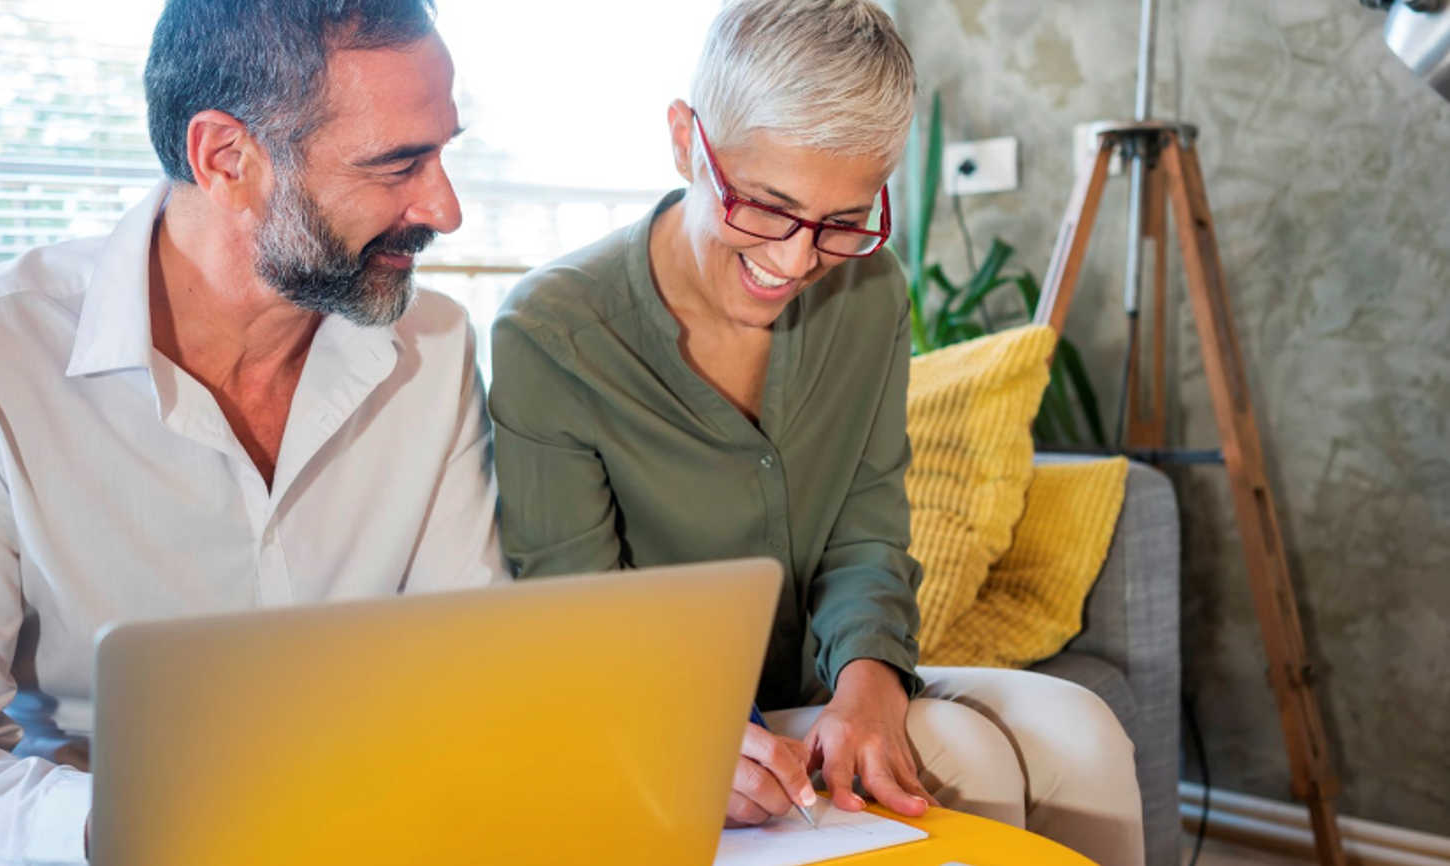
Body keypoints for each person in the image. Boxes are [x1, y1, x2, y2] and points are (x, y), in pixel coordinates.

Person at [489, 0, 1145, 863]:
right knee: (974, 758)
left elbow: (867, 527)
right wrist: (681, 737)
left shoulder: (869, 294)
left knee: (1084, 731)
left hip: (819, 685)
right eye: (765, 206)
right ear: (686, 140)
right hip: (671, 718)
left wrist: (871, 680)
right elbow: (576, 617)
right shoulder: (553, 332)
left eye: (843, 220)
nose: (797, 263)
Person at [0, 2, 504, 863]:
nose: (444, 209)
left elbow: (474, 669)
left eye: (445, 151)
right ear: (226, 159)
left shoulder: (435, 344)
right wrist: (136, 825)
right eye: (397, 164)